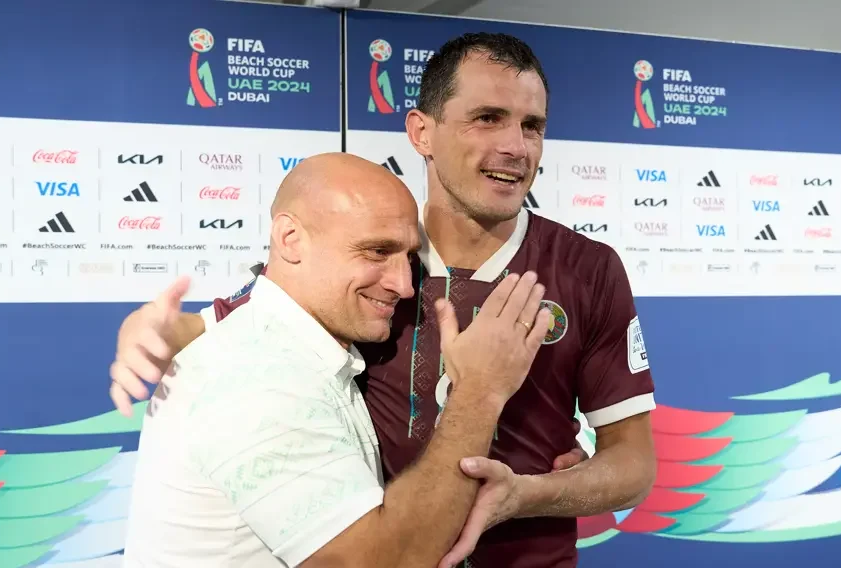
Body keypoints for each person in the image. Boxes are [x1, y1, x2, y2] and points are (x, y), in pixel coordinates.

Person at [112, 33, 658, 568]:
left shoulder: (589, 268)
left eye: (532, 125)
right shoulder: (364, 263)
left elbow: (634, 463)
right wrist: (152, 330)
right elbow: (243, 327)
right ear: (421, 132)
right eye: (487, 118)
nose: (516, 146)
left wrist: (529, 495)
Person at [122, 152, 553, 567]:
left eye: (408, 257)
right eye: (377, 252)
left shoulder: (296, 348)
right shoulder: (259, 380)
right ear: (291, 239)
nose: (405, 285)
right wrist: (480, 391)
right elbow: (389, 563)